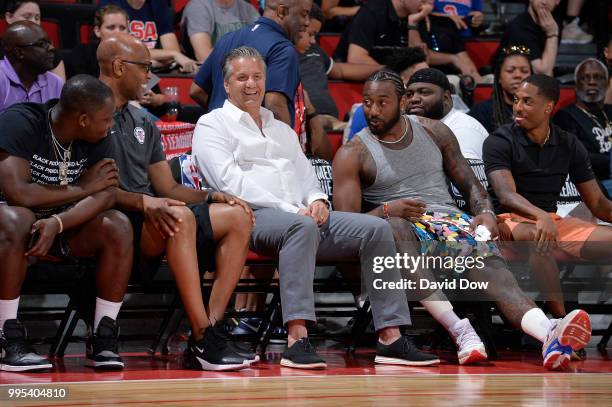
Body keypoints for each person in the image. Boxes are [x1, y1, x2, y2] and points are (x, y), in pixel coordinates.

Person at [193, 46, 441, 369]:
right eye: (242, 78)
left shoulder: (281, 129)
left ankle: (390, 338)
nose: (251, 84)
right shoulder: (213, 125)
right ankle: (297, 340)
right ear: (226, 85)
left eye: (257, 77)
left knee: (377, 229)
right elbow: (228, 182)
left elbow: (307, 176)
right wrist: (291, 209)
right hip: (250, 218)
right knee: (302, 227)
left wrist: (317, 201)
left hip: (301, 216)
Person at [332, 68, 593, 371]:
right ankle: (461, 331)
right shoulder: (353, 153)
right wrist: (387, 210)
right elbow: (347, 226)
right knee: (395, 227)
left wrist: (485, 211)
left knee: (493, 271)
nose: (373, 111)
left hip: (452, 226)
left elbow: (471, 185)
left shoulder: (434, 131)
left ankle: (547, 332)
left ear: (403, 102)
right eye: (367, 102)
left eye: (382, 102)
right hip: (400, 235)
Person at [96, 33, 256, 371]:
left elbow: (167, 186)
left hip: (154, 215)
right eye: (144, 68)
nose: (149, 77)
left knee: (239, 215)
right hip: (113, 219)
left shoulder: (143, 121)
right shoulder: (88, 112)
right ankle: (199, 335)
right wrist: (145, 203)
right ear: (118, 66)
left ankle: (211, 329)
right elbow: (89, 187)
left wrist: (211, 195)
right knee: (178, 216)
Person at [0, 75, 133, 371]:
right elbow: (17, 192)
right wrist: (83, 187)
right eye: (106, 119)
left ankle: (103, 336)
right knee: (17, 217)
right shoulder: (21, 121)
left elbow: (107, 193)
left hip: (59, 224)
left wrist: (58, 222)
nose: (111, 125)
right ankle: (5, 334)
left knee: (118, 224)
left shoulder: (99, 136)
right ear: (83, 119)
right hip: (10, 227)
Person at [483, 74, 612, 319]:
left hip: (553, 221)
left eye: (527, 102)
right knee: (537, 237)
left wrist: (546, 218)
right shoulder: (499, 140)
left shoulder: (568, 143)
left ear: (548, 107)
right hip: (510, 220)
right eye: (517, 100)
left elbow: (597, 202)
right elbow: (506, 194)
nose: (518, 107)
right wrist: (540, 216)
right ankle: (560, 323)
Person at [190, 0, 311, 126]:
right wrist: (287, 143)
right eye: (304, 14)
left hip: (216, 134)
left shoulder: (227, 39)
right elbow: (275, 106)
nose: (307, 22)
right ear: (282, 12)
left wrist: (225, 115)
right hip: (251, 143)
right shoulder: (282, 49)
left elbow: (196, 90)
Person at [65, 5, 167, 118]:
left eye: (122, 28)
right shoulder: (82, 52)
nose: (117, 32)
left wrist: (156, 100)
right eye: (111, 27)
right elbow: (81, 94)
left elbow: (160, 100)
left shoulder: (137, 57)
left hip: (139, 118)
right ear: (97, 31)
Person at [295, 4, 382, 130]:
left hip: (332, 119)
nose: (313, 40)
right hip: (309, 118)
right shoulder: (280, 54)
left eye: (315, 35)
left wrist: (385, 69)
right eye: (310, 34)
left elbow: (340, 70)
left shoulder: (315, 50)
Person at [406, 68, 488, 160]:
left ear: (446, 98)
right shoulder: (410, 127)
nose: (414, 99)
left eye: (424, 92)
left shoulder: (463, 128)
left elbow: (470, 172)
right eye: (409, 94)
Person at [98, 0, 198, 74]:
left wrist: (145, 62)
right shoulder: (111, 3)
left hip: (154, 74)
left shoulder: (159, 3)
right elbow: (118, 50)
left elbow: (172, 49)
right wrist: (173, 54)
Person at [554, 59, 611, 181]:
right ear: (576, 85)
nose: (592, 82)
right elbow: (574, 156)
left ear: (607, 84)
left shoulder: (610, 111)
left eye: (598, 77)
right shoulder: (564, 117)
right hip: (594, 184)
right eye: (585, 78)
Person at [0, 21, 63, 113]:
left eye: (50, 43)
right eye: (42, 44)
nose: (51, 48)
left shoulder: (55, 83)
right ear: (19, 52)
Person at [469, 45, 533, 134]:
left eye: (524, 71)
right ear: (499, 77)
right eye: (510, 70)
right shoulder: (482, 111)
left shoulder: (539, 110)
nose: (518, 75)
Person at [180, 0, 260, 63]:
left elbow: (263, 48)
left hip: (245, 73)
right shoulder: (198, 7)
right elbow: (204, 56)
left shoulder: (249, 10)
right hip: (209, 76)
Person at [3, 0, 66, 80]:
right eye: (27, 17)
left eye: (37, 18)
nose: (34, 22)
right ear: (9, 17)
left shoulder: (50, 52)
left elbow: (60, 89)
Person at [498, 0, 560, 76]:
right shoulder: (519, 28)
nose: (544, 2)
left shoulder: (553, 23)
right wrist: (552, 35)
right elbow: (542, 74)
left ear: (558, 1)